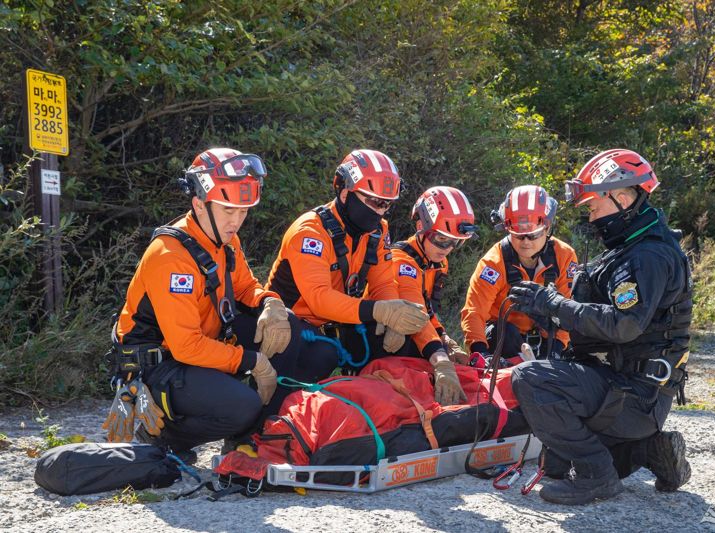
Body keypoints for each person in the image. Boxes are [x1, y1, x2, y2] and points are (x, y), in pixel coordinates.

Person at [103, 148, 339, 459]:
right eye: (228, 210)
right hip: (160, 365)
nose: (237, 221)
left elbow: (245, 288)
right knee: (241, 404)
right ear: (199, 204)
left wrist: (270, 303)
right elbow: (187, 346)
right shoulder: (171, 258)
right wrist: (252, 362)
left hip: (201, 346)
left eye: (243, 211)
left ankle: (255, 436)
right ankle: (164, 438)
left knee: (296, 333)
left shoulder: (224, 242)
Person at [509, 148, 693, 505]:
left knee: (528, 379)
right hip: (627, 391)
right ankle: (648, 450)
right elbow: (597, 320)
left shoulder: (647, 256)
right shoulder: (629, 249)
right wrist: (548, 312)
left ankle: (598, 477)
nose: (591, 218)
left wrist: (555, 304)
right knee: (557, 464)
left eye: (594, 207)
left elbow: (624, 326)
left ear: (622, 198)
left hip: (637, 395)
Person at [265, 149, 430, 391]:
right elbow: (319, 298)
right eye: (374, 202)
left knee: (396, 340)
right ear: (344, 192)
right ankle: (273, 419)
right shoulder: (310, 232)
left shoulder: (377, 231)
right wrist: (381, 311)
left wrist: (392, 316)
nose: (381, 211)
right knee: (322, 354)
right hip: (288, 322)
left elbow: (383, 283)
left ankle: (371, 399)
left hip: (339, 320)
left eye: (386, 205)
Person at [461, 185, 577, 362]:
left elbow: (567, 308)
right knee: (505, 333)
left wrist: (556, 350)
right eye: (518, 235)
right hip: (504, 340)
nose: (525, 242)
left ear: (547, 229)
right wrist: (479, 352)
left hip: (548, 337)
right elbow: (475, 311)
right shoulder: (493, 263)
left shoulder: (564, 256)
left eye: (533, 235)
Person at [389, 186, 478, 405]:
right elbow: (416, 314)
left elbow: (428, 309)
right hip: (380, 337)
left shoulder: (437, 262)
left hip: (412, 327)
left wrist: (444, 336)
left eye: (455, 242)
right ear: (421, 227)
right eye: (441, 239)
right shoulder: (401, 260)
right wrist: (440, 360)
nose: (447, 248)